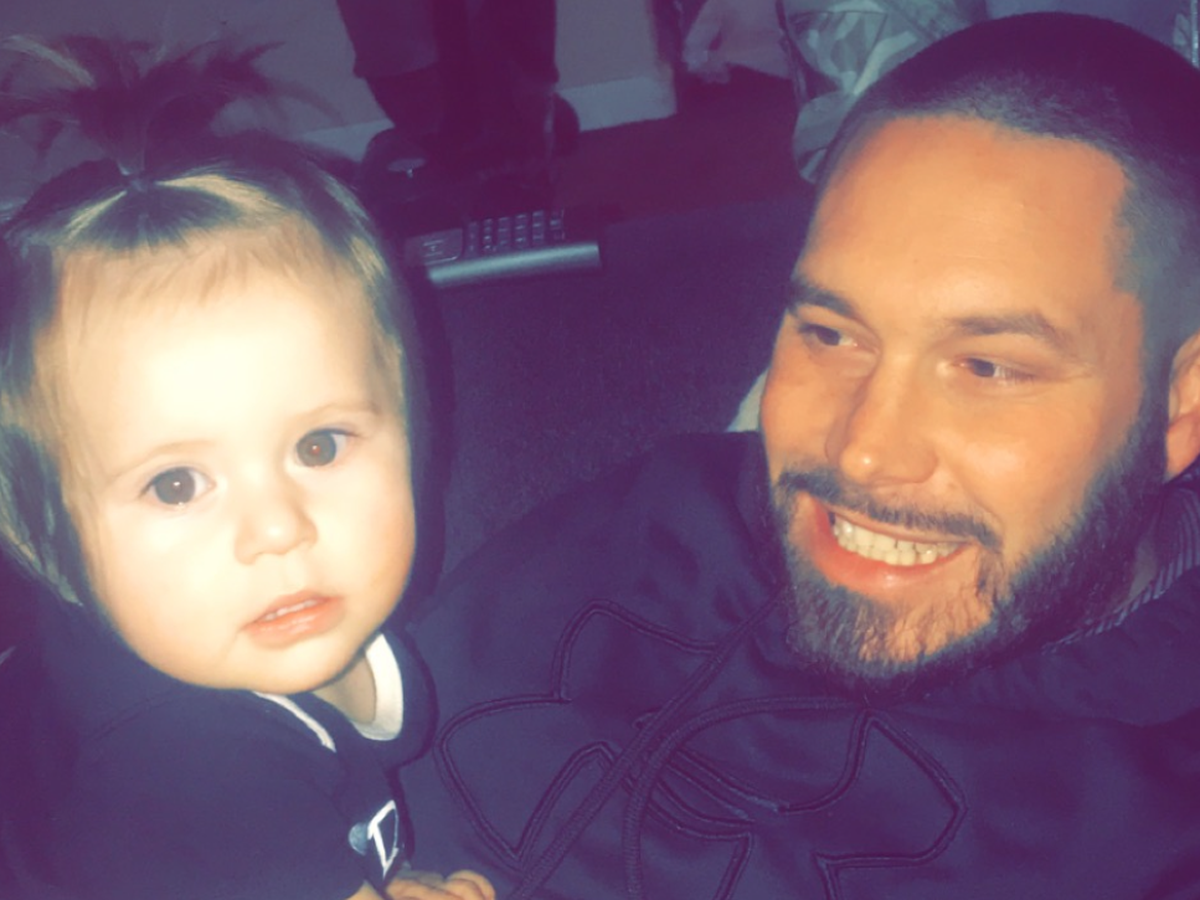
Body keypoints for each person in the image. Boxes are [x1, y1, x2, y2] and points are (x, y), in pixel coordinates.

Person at [399, 12, 1200, 899]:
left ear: (1180, 405)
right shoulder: (669, 506)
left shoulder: (1159, 826)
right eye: (830, 332)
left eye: (987, 367)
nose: (862, 453)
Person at [0, 91, 493, 900]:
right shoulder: (190, 780)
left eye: (318, 446)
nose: (278, 529)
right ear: (47, 533)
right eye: (177, 485)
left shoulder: (209, 617)